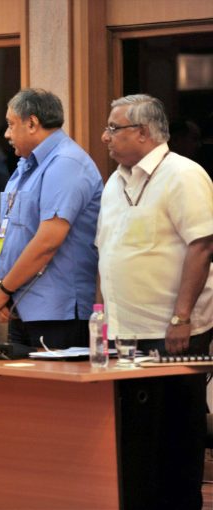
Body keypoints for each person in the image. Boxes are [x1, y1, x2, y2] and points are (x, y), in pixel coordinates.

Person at [97, 94, 213, 510]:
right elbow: (107, 251)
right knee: (134, 442)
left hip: (172, 333)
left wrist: (181, 317)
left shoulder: (184, 174)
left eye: (114, 128)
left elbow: (201, 245)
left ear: (142, 132)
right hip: (123, 334)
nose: (105, 136)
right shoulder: (115, 180)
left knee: (176, 440)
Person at [0, 88, 103, 349]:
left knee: (54, 389)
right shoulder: (24, 167)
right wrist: (0, 291)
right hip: (19, 305)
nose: (6, 134)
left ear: (32, 123)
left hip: (55, 311)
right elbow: (4, 234)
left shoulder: (67, 163)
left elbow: (48, 240)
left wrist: (3, 291)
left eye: (10, 124)